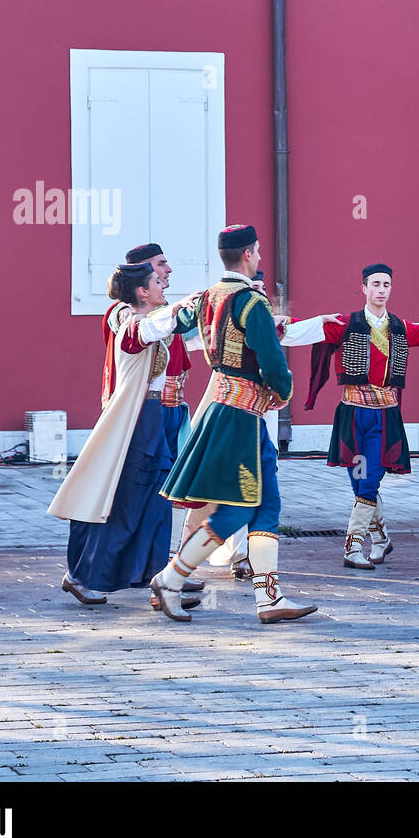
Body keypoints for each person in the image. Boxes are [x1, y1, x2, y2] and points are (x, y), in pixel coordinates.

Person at [151, 225, 325, 624]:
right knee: (238, 504)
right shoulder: (253, 302)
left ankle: (269, 599)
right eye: (258, 252)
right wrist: (282, 394)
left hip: (226, 410)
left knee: (266, 503)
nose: (260, 258)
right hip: (241, 418)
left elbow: (178, 324)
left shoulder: (210, 296)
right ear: (248, 254)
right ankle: (172, 577)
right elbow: (272, 362)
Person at [304, 263, 419, 570]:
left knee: (369, 480)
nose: (381, 290)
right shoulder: (344, 324)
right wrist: (275, 321)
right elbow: (304, 330)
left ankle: (352, 548)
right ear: (364, 289)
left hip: (384, 418)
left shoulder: (400, 328)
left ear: (391, 289)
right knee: (361, 482)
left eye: (386, 284)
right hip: (352, 415)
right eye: (375, 284)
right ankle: (381, 540)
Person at [52, 263, 199, 609]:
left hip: (150, 420)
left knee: (155, 504)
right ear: (141, 292)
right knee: (123, 503)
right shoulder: (130, 324)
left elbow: (175, 328)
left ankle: (161, 582)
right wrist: (186, 304)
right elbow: (152, 328)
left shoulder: (150, 321)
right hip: (135, 423)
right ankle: (83, 575)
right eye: (156, 282)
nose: (164, 285)